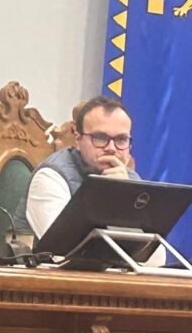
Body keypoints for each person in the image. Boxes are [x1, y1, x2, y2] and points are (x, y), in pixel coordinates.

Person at [13, 95, 139, 239]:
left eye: (121, 139)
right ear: (78, 140)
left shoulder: (129, 178)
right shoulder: (51, 176)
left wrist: (125, 195)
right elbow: (61, 245)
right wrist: (109, 196)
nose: (111, 148)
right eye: (100, 137)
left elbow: (154, 249)